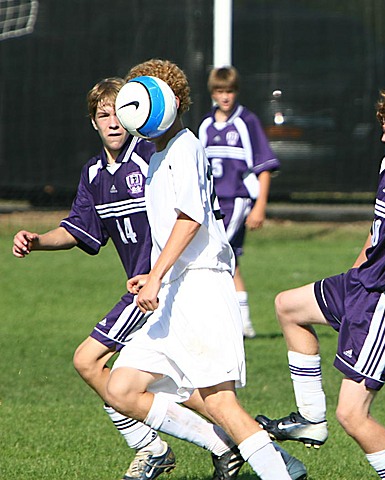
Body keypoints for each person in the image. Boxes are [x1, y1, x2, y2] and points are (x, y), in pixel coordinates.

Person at [104, 58, 304, 480]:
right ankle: (226, 448)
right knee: (121, 387)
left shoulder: (186, 147)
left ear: (173, 102)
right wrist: (156, 272)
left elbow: (190, 218)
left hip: (201, 288)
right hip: (174, 292)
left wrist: (157, 274)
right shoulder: (158, 156)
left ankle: (280, 472)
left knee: (220, 403)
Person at [255, 85, 385, 479]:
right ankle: (311, 419)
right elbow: (377, 231)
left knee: (352, 414)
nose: (382, 136)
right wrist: (351, 278)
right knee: (288, 306)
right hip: (361, 283)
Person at [11, 77, 178, 480]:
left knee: (89, 361)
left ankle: (152, 447)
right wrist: (38, 240)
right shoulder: (94, 174)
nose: (113, 122)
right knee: (170, 387)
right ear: (94, 123)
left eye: (120, 112)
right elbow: (77, 229)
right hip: (144, 291)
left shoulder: (152, 157)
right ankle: (232, 441)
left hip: (161, 286)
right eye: (103, 115)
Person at [197, 65, 280, 338]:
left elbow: (263, 167)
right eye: (220, 91)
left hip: (238, 201)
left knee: (214, 252)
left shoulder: (247, 122)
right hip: (212, 203)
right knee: (229, 260)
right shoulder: (206, 125)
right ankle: (242, 322)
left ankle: (231, 321)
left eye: (229, 91)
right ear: (212, 93)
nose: (225, 97)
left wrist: (259, 206)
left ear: (237, 92)